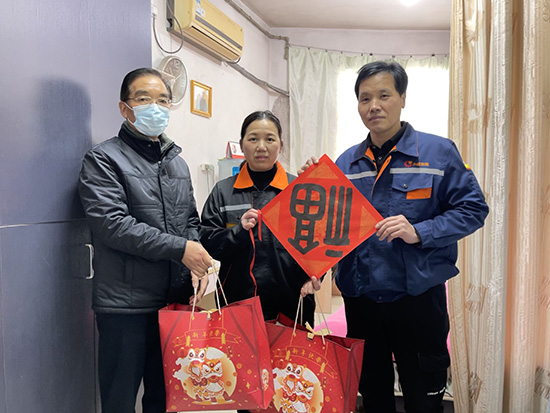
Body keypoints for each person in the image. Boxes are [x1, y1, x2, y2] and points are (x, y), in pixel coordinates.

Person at [300, 61, 489, 412]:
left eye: (384, 95)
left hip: (418, 299)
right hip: (362, 300)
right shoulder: (345, 163)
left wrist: (420, 231)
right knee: (372, 396)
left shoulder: (439, 153)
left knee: (423, 397)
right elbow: (329, 229)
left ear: (402, 98)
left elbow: (473, 209)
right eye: (365, 98)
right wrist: (311, 186)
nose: (374, 106)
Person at [78, 67, 212, 413]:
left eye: (163, 100)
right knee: (120, 400)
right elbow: (112, 225)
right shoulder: (103, 159)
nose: (155, 107)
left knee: (166, 399)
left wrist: (195, 266)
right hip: (125, 306)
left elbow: (190, 221)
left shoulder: (177, 164)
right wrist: (181, 249)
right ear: (125, 108)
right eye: (144, 99)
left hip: (172, 303)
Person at [199, 110, 321, 413]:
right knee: (247, 390)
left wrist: (316, 273)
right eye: (253, 139)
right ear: (242, 143)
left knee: (289, 390)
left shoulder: (297, 189)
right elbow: (208, 242)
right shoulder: (223, 191)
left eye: (270, 139)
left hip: (291, 305)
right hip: (239, 306)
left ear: (281, 145)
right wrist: (239, 232)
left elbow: (319, 243)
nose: (261, 146)